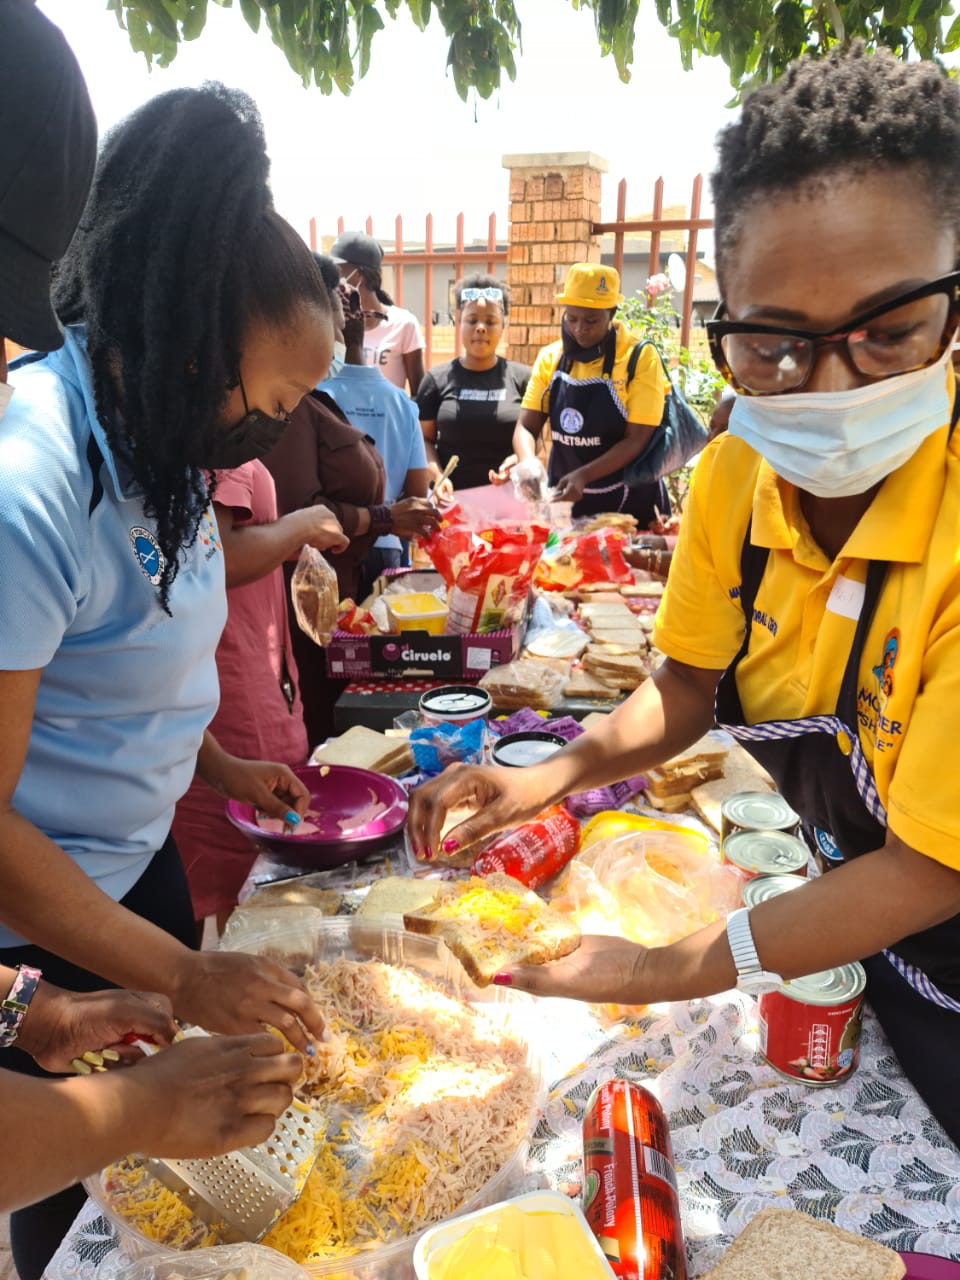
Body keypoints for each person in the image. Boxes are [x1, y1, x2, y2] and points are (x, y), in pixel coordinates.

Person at [409, 46, 960, 1149]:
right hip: (834, 933)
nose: (830, 385)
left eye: (890, 330)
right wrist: (541, 779)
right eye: (772, 345)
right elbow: (685, 689)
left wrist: (654, 969)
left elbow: (927, 868)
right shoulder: (733, 480)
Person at [0, 83, 330, 1274]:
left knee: (188, 1177)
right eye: (271, 404)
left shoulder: (166, 444)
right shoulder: (34, 483)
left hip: (138, 875)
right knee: (89, 1212)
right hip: (40, 926)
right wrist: (186, 971)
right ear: (192, 338)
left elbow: (124, 664)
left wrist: (222, 762)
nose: (269, 434)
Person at [172, 460, 348, 933]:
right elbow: (218, 557)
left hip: (242, 685)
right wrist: (300, 527)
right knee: (247, 901)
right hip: (232, 693)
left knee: (239, 904)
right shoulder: (220, 447)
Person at [510, 263, 669, 526]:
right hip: (567, 502)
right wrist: (528, 465)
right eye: (571, 318)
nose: (579, 329)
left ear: (612, 313)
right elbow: (526, 425)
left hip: (629, 502)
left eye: (591, 320)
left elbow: (636, 439)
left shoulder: (639, 358)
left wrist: (583, 475)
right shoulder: (551, 357)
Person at [319, 294, 438, 592]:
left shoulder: (316, 397)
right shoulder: (401, 402)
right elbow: (417, 493)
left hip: (332, 547)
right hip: (388, 546)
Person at [416, 275, 531, 495]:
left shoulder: (523, 379)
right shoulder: (435, 380)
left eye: (490, 321)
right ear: (459, 323)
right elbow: (424, 439)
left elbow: (533, 439)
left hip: (509, 501)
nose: (480, 328)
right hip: (452, 500)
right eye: (471, 320)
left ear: (503, 326)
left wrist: (519, 459)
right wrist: (438, 476)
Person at [331, 230, 425, 394]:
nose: (332, 279)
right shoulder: (333, 324)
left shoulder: (403, 324)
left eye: (337, 271)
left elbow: (419, 392)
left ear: (358, 275)